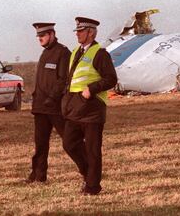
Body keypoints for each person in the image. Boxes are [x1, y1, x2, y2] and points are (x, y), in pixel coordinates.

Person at [62, 17, 117, 195]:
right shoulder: (75, 52)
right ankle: (88, 174)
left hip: (92, 109)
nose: (77, 33)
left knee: (93, 150)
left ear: (91, 32)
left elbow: (111, 79)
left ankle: (93, 186)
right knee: (69, 144)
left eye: (80, 31)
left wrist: (91, 89)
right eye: (77, 31)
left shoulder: (100, 53)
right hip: (75, 109)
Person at [27, 22, 71, 183]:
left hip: (55, 107)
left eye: (43, 35)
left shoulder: (63, 53)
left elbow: (62, 80)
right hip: (40, 108)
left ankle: (88, 170)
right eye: (38, 36)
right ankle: (38, 175)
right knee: (40, 144)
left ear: (52, 34)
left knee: (70, 141)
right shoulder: (44, 54)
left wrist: (52, 98)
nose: (40, 38)